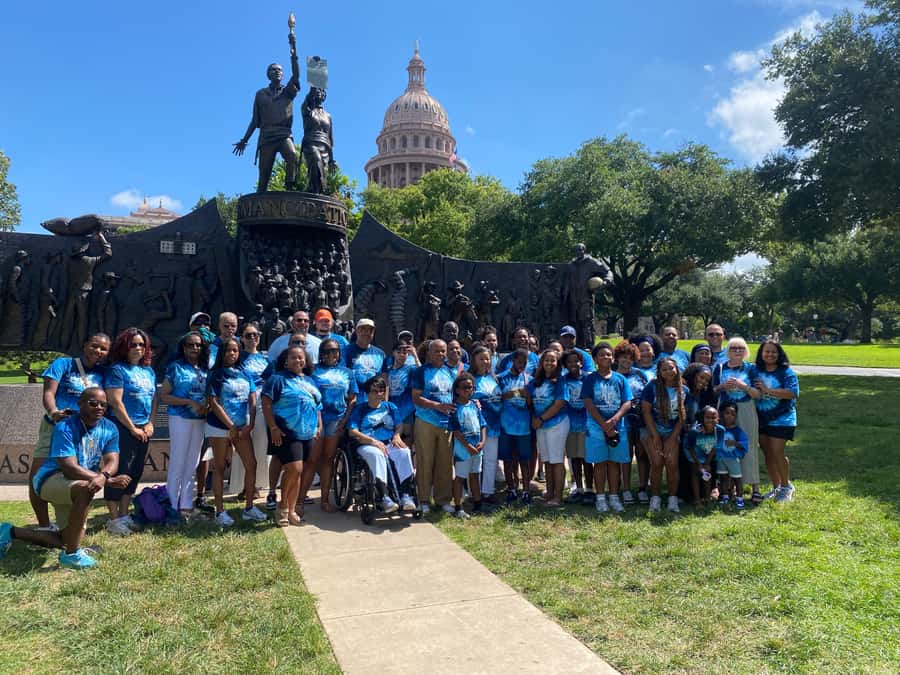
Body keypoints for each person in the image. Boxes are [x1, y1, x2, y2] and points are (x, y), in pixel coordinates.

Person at [0, 389, 130, 569]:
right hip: (50, 479)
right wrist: (106, 480)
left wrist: (105, 475)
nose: (99, 407)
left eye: (103, 404)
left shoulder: (109, 427)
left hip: (77, 483)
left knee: (67, 539)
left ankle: (10, 531)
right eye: (93, 403)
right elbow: (68, 467)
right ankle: (72, 555)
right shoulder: (65, 426)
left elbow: (112, 460)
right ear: (80, 404)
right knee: (87, 488)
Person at [29, 333, 110, 528]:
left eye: (103, 349)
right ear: (84, 345)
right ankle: (44, 524)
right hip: (57, 427)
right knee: (38, 475)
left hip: (83, 433)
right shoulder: (63, 365)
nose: (98, 351)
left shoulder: (103, 373)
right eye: (94, 346)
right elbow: (49, 392)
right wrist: (53, 411)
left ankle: (72, 523)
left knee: (77, 476)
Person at [206, 337, 266, 526]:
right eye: (228, 350)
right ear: (222, 353)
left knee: (252, 464)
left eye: (235, 350)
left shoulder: (245, 374)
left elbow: (252, 401)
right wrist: (230, 425)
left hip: (242, 428)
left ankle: (249, 507)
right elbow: (213, 402)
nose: (232, 354)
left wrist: (250, 424)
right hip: (219, 426)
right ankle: (220, 511)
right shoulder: (215, 375)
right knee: (221, 466)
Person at [232, 30, 301, 192]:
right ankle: (259, 204)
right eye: (273, 70)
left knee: (292, 156)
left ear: (283, 75)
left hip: (284, 133)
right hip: (266, 135)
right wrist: (244, 140)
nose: (277, 71)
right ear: (268, 75)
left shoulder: (288, 91)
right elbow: (255, 121)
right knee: (264, 175)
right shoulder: (260, 94)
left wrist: (293, 49)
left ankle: (289, 188)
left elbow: (297, 75)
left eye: (280, 70)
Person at [104, 328, 157, 535]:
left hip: (143, 429)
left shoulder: (148, 371)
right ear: (124, 347)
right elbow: (115, 403)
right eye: (133, 344)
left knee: (135, 471)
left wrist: (150, 423)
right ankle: (114, 518)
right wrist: (132, 428)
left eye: (141, 345)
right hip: (122, 428)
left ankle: (125, 514)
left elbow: (153, 398)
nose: (137, 348)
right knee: (120, 470)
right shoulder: (117, 370)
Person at [262, 346, 322, 526]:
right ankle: (282, 507)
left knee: (298, 472)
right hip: (285, 431)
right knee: (294, 469)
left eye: (301, 358)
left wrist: (319, 425)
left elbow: (316, 403)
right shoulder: (277, 379)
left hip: (308, 432)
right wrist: (272, 427)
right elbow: (266, 403)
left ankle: (292, 509)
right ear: (286, 361)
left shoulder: (310, 380)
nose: (298, 361)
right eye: (294, 358)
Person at [348, 375, 416, 513]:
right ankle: (384, 497)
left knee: (404, 452)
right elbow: (352, 431)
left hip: (389, 442)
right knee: (377, 455)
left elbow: (399, 425)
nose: (379, 394)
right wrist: (372, 441)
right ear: (367, 393)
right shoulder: (360, 409)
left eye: (381, 390)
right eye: (374, 391)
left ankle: (406, 495)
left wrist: (397, 435)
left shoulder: (390, 406)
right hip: (367, 444)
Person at [159, 332, 209, 518]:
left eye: (198, 345)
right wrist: (188, 403)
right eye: (190, 345)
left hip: (199, 420)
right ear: (183, 347)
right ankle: (172, 504)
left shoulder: (205, 369)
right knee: (178, 461)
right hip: (180, 418)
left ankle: (186, 503)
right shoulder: (176, 368)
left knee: (193, 462)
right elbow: (164, 395)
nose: (194, 348)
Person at [583, 342, 632, 513]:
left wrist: (614, 420)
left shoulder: (620, 379)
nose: (606, 357)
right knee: (600, 463)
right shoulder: (590, 379)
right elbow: (588, 402)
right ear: (595, 359)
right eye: (602, 355)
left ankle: (613, 496)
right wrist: (604, 424)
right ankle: (601, 497)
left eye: (609, 354)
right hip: (596, 429)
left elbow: (627, 401)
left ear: (613, 358)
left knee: (614, 463)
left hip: (618, 427)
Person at [712, 337, 762, 503]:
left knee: (748, 445)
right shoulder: (720, 367)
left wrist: (743, 386)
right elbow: (713, 391)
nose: (737, 351)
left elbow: (758, 394)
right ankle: (728, 489)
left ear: (746, 350)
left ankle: (755, 487)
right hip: (725, 408)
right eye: (733, 348)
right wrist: (722, 387)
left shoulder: (751, 369)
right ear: (728, 350)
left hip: (746, 407)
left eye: (741, 348)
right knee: (725, 446)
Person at [311, 339, 358, 511]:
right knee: (312, 459)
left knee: (328, 459)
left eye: (335, 351)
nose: (332, 354)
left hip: (337, 419)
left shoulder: (347, 372)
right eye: (328, 351)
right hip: (317, 420)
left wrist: (345, 419)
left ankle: (324, 499)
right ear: (321, 353)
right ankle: (299, 500)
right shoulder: (313, 370)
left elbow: (352, 398)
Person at [411, 339, 457, 514]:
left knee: (445, 463)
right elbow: (416, 398)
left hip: (446, 423)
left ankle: (443, 500)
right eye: (437, 351)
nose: (441, 354)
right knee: (425, 461)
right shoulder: (420, 372)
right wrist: (438, 406)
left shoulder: (450, 372)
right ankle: (423, 500)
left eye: (443, 351)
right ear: (429, 353)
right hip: (426, 421)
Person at [640, 357, 688, 513]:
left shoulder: (683, 389)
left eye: (671, 368)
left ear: (677, 369)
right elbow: (646, 412)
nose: (668, 372)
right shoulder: (651, 387)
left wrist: (672, 438)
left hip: (672, 431)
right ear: (659, 372)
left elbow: (682, 416)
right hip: (653, 429)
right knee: (657, 462)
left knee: (672, 464)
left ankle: (672, 499)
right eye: (664, 369)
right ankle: (655, 498)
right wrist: (655, 437)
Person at [754, 340, 799, 503]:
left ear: (779, 354)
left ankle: (787, 486)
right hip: (762, 419)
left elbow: (792, 393)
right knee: (767, 453)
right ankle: (776, 486)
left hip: (783, 418)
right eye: (766, 351)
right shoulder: (756, 370)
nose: (770, 354)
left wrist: (767, 390)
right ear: (761, 353)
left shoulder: (786, 372)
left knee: (777, 451)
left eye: (774, 352)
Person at [231, 322, 271, 501]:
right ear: (241, 338)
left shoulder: (266, 359)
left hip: (262, 406)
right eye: (248, 335)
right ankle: (244, 486)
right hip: (242, 406)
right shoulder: (238, 358)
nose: (253, 338)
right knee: (244, 448)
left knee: (261, 447)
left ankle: (257, 485)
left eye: (255, 334)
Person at [528, 349, 569, 507]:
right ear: (541, 362)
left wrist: (541, 418)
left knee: (557, 460)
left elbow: (559, 403)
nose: (549, 363)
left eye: (553, 360)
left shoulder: (560, 381)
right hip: (540, 425)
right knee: (547, 461)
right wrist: (534, 417)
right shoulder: (536, 381)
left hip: (557, 423)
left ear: (558, 363)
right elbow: (528, 397)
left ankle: (558, 497)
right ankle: (549, 493)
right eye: (546, 360)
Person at [497, 349, 534, 505]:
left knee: (524, 460)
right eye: (520, 362)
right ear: (513, 360)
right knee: (508, 459)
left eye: (525, 363)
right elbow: (496, 398)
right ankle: (511, 489)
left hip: (523, 426)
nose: (522, 366)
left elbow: (532, 404)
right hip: (506, 425)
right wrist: (511, 394)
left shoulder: (529, 379)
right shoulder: (501, 378)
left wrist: (528, 397)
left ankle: (525, 491)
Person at [614, 340, 648, 505]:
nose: (626, 361)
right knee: (625, 456)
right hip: (622, 421)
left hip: (640, 420)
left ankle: (642, 488)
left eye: (630, 358)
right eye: (623, 357)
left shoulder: (640, 375)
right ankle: (626, 489)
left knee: (642, 455)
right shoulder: (613, 376)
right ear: (617, 358)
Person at [448, 372, 487, 518]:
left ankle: (478, 503)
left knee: (475, 475)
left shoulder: (475, 406)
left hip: (477, 448)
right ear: (457, 390)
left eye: (471, 387)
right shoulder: (454, 408)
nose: (468, 391)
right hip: (462, 450)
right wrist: (467, 446)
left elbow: (482, 425)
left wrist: (482, 441)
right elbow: (456, 431)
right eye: (465, 388)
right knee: (460, 478)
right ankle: (458, 507)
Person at [469, 346, 502, 505]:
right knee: (476, 460)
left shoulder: (494, 379)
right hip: (476, 428)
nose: (484, 362)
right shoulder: (469, 379)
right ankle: (473, 492)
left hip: (494, 426)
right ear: (474, 360)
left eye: (487, 358)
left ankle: (488, 491)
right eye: (481, 358)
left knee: (491, 460)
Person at [562, 350, 593, 504]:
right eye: (569, 362)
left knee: (587, 458)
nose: (573, 364)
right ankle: (579, 488)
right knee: (574, 458)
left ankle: (589, 489)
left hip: (586, 424)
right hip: (570, 424)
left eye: (576, 361)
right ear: (565, 365)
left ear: (581, 362)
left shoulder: (589, 378)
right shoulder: (564, 380)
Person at [683, 406, 724, 508]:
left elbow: (715, 447)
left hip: (707, 454)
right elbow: (690, 447)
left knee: (707, 473)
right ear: (702, 418)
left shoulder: (720, 430)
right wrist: (699, 464)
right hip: (693, 454)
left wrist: (706, 464)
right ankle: (697, 500)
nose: (711, 420)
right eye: (708, 417)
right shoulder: (695, 431)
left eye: (714, 417)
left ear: (718, 419)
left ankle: (707, 498)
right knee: (695, 473)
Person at [386, 340, 418, 445]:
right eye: (399, 352)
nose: (402, 355)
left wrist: (415, 356)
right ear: (393, 353)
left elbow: (422, 375)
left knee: (407, 438)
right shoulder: (388, 369)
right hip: (391, 409)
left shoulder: (411, 369)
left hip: (407, 409)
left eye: (405, 352)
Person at [717, 402, 749, 507]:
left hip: (732, 459)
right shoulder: (718, 429)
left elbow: (745, 443)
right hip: (721, 458)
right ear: (721, 414)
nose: (729, 416)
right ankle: (725, 496)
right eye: (727, 413)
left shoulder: (737, 431)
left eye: (733, 414)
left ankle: (740, 499)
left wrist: (734, 443)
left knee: (737, 479)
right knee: (723, 478)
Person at [344, 318, 386, 390]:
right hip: (353, 399)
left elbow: (384, 379)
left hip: (374, 398)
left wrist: (384, 400)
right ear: (356, 331)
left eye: (370, 330)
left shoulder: (380, 354)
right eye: (363, 329)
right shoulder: (345, 351)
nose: (367, 333)